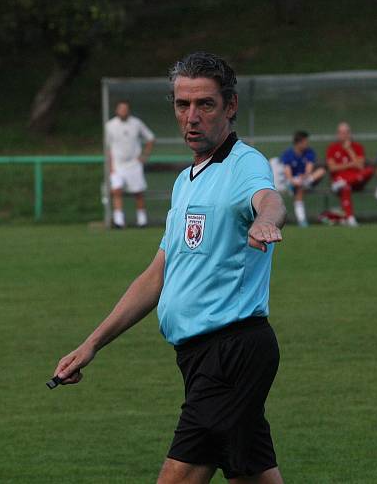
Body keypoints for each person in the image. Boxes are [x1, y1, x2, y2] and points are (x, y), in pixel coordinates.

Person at [54, 52, 287, 484]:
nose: (192, 117)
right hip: (200, 357)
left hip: (231, 352)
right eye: (183, 105)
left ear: (230, 106)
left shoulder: (244, 163)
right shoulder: (186, 181)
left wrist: (267, 220)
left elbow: (267, 198)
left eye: (206, 104)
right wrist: (91, 345)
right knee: (253, 475)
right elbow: (157, 275)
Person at [105, 100, 155, 228]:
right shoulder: (110, 125)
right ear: (117, 111)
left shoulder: (136, 123)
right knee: (116, 190)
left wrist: (144, 156)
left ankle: (142, 220)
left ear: (128, 110)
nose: (123, 111)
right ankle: (119, 221)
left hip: (134, 164)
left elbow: (150, 138)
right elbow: (108, 148)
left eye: (125, 109)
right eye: (121, 109)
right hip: (118, 164)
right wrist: (111, 167)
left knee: (138, 193)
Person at [325, 122, 374, 227]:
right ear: (337, 134)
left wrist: (349, 150)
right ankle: (350, 218)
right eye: (341, 133)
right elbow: (332, 168)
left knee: (369, 170)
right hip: (340, 178)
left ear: (350, 134)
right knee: (346, 188)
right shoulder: (332, 148)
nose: (343, 135)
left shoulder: (357, 147)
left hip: (356, 181)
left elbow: (361, 166)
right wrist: (351, 164)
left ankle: (344, 183)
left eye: (346, 132)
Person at [279, 130, 326, 227]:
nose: (307, 144)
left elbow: (309, 169)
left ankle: (302, 221)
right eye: (305, 142)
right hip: (293, 181)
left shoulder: (309, 152)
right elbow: (288, 173)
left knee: (321, 171)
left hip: (306, 180)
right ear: (298, 143)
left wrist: (304, 177)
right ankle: (302, 220)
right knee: (299, 188)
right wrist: (293, 181)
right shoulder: (288, 154)